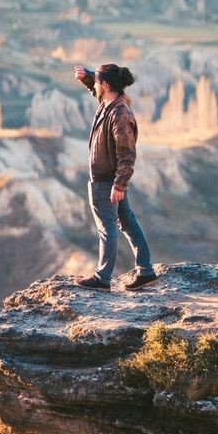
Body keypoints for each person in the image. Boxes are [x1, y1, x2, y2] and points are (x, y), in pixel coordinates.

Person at [73, 62, 157, 291]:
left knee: (106, 227)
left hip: (107, 180)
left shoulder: (119, 113)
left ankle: (103, 278)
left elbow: (127, 153)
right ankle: (146, 271)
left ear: (107, 85)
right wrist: (87, 77)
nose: (96, 87)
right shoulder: (111, 102)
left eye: (98, 82)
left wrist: (119, 184)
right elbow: (97, 90)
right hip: (109, 178)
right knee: (127, 220)